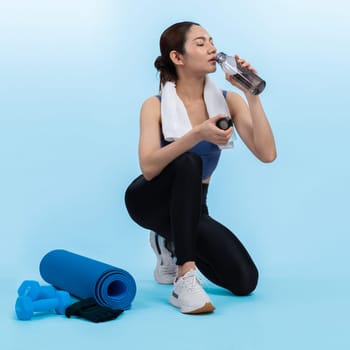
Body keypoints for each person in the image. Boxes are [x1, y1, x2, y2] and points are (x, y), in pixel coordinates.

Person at [124, 21, 276, 314]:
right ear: (177, 57)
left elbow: (267, 153)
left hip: (193, 206)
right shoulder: (153, 105)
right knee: (188, 160)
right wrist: (196, 134)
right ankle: (185, 277)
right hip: (148, 201)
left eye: (212, 40)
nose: (212, 48)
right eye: (200, 43)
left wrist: (251, 95)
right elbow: (148, 168)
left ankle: (169, 241)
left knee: (245, 281)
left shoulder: (227, 101)